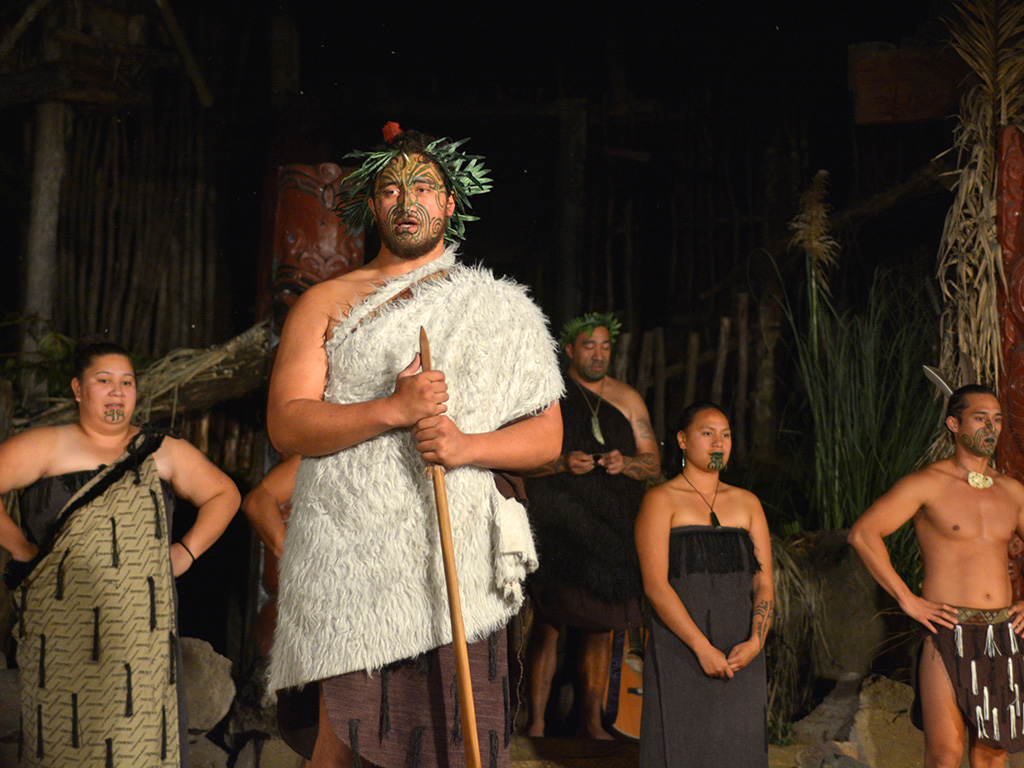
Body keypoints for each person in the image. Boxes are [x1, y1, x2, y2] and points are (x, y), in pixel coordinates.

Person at [265, 123, 564, 768]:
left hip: (454, 555)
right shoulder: (325, 302)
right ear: (371, 206)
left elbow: (547, 439)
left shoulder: (495, 306)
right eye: (390, 189)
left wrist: (464, 445)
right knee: (339, 742)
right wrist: (392, 410)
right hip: (349, 554)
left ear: (450, 202)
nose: (407, 202)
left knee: (455, 740)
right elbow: (288, 424)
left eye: (423, 187)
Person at [0, 340, 240, 768]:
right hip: (59, 631)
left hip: (139, 638)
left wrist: (185, 552)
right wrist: (21, 548)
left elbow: (225, 494)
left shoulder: (159, 450)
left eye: (126, 382)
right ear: (78, 389)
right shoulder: (47, 445)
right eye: (104, 381)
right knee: (62, 741)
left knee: (139, 743)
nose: (117, 391)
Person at [848, 384, 1024, 768]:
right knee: (944, 754)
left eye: (996, 420)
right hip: (947, 630)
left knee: (991, 756)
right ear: (953, 423)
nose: (990, 428)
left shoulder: (1012, 492)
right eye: (980, 418)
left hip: (1001, 633)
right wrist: (906, 598)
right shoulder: (928, 483)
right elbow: (863, 533)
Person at [522, 312, 660, 738]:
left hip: (613, 530)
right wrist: (562, 463)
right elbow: (523, 459)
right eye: (589, 346)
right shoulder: (548, 397)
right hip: (560, 524)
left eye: (605, 346)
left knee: (603, 624)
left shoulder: (627, 398)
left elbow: (653, 463)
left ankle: (593, 720)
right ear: (569, 350)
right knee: (547, 622)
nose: (598, 355)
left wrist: (627, 462)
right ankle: (537, 723)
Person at [634, 402, 773, 768]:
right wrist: (701, 647)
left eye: (725, 435)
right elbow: (656, 586)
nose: (718, 443)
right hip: (682, 647)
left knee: (739, 750)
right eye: (707, 433)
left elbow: (764, 583)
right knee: (682, 748)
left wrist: (756, 641)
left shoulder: (747, 503)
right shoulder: (661, 500)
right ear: (682, 439)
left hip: (742, 651)